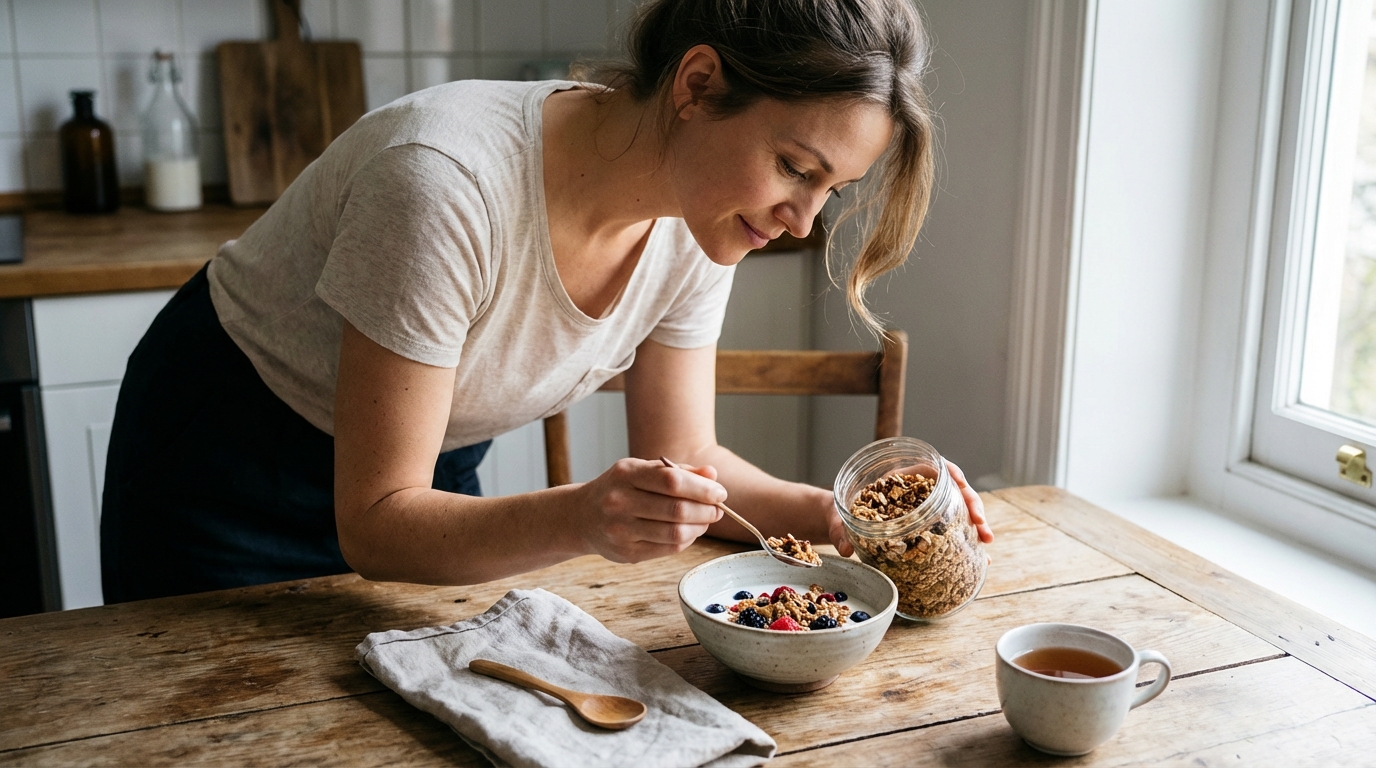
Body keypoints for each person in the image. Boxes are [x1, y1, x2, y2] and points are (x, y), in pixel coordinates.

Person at [100, 0, 993, 603]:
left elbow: (685, 455)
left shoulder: (703, 214)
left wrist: (842, 514)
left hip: (420, 479)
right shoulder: (442, 183)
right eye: (796, 168)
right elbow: (376, 524)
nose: (801, 219)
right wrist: (578, 516)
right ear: (697, 86)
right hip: (222, 459)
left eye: (829, 189)